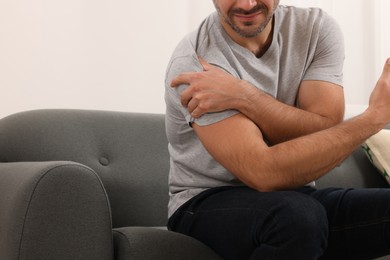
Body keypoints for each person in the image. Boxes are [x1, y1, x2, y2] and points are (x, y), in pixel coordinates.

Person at [164, 0, 390, 259]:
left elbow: (326, 129)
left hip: (294, 198)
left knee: (300, 213)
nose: (248, 4)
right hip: (204, 203)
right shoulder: (196, 64)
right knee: (297, 217)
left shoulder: (314, 29)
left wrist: (245, 95)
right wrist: (374, 117)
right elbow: (263, 173)